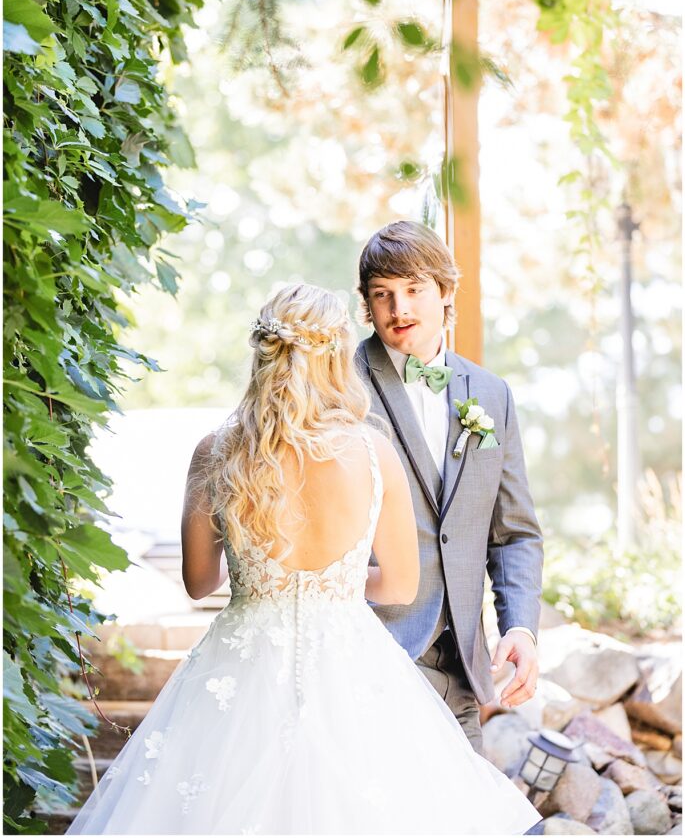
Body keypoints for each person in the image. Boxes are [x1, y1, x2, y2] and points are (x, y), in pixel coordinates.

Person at [67, 283, 541, 835]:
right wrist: (332, 583)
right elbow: (400, 586)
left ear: (263, 351)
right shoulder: (372, 451)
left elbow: (199, 583)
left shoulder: (216, 449)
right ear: (338, 355)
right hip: (348, 654)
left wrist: (264, 577)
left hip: (242, 660)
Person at [355, 221, 544, 753]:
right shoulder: (337, 386)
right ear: (367, 305)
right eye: (382, 295)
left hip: (461, 659)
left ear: (445, 292)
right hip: (368, 649)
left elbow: (515, 534)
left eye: (414, 289)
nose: (399, 309)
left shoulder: (491, 393)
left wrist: (521, 629)